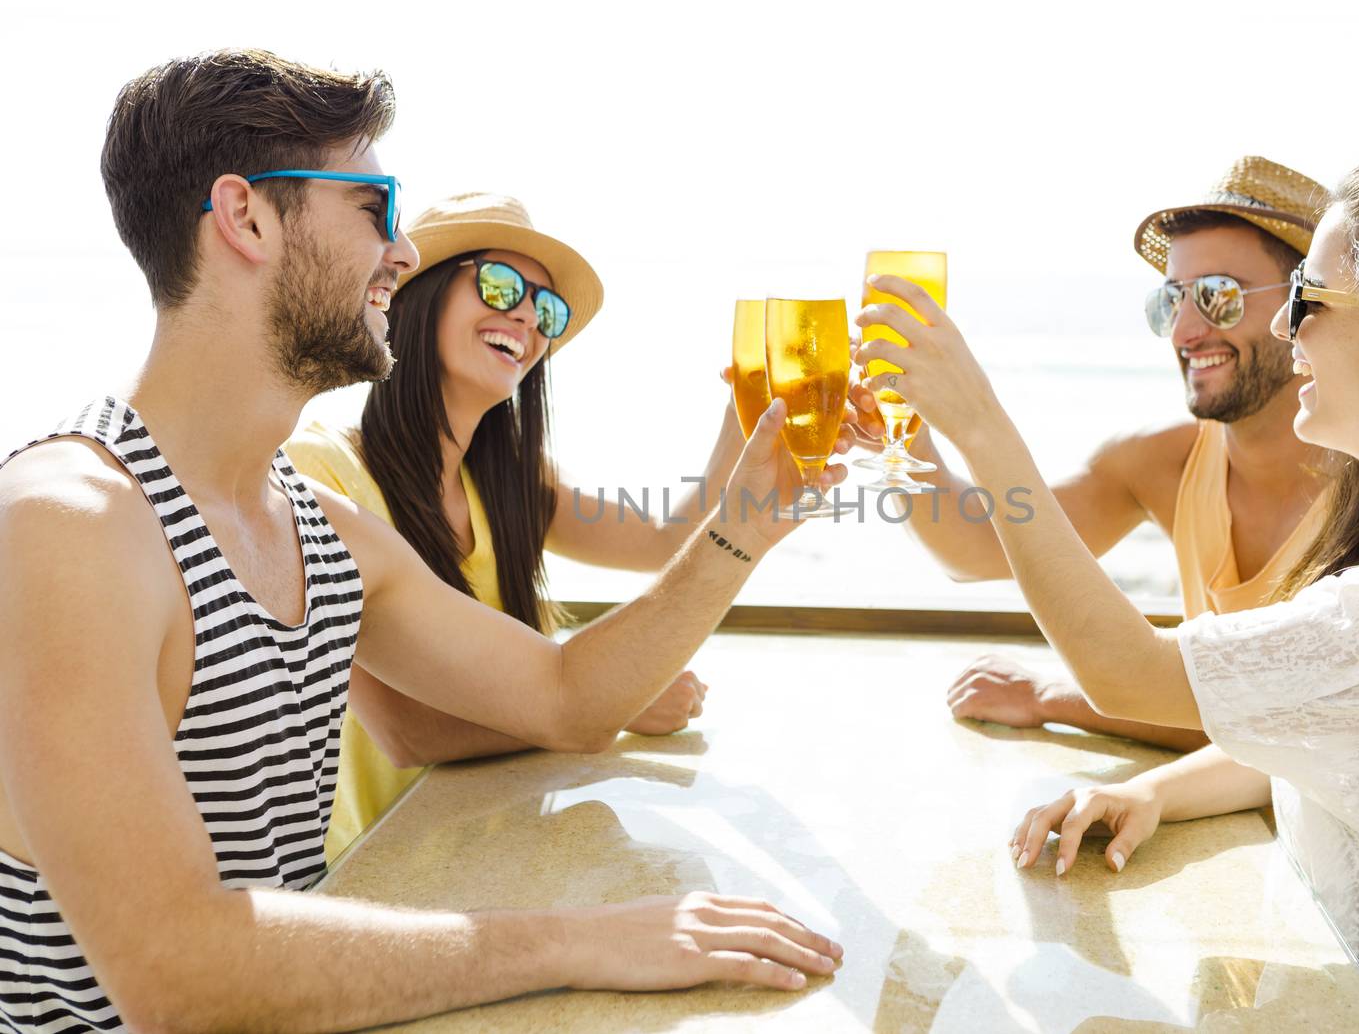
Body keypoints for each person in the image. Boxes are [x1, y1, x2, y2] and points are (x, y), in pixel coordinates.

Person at [0, 50, 843, 1032]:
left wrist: (746, 523)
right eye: (374, 210)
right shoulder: (67, 527)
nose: (400, 254)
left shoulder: (317, 527)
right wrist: (575, 937)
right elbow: (180, 973)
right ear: (246, 218)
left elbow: (564, 696)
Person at [855, 147, 1359, 1029]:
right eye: (1170, 300)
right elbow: (1332, 715)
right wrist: (1158, 790)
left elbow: (1127, 670)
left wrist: (979, 420)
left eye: (1306, 301)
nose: (1286, 331)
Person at [285, 192, 807, 862]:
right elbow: (405, 729)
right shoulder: (323, 475)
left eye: (547, 308)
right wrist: (608, 703)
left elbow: (661, 542)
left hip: (496, 843)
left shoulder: (510, 479)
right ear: (419, 295)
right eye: (499, 286)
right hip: (377, 874)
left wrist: (748, 416)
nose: (529, 315)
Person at [852, 157, 1330, 752]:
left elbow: (1298, 726)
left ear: (1308, 307)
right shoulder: (1163, 464)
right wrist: (902, 428)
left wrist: (1051, 698)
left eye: (1217, 296)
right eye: (1172, 299)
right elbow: (972, 546)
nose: (1184, 332)